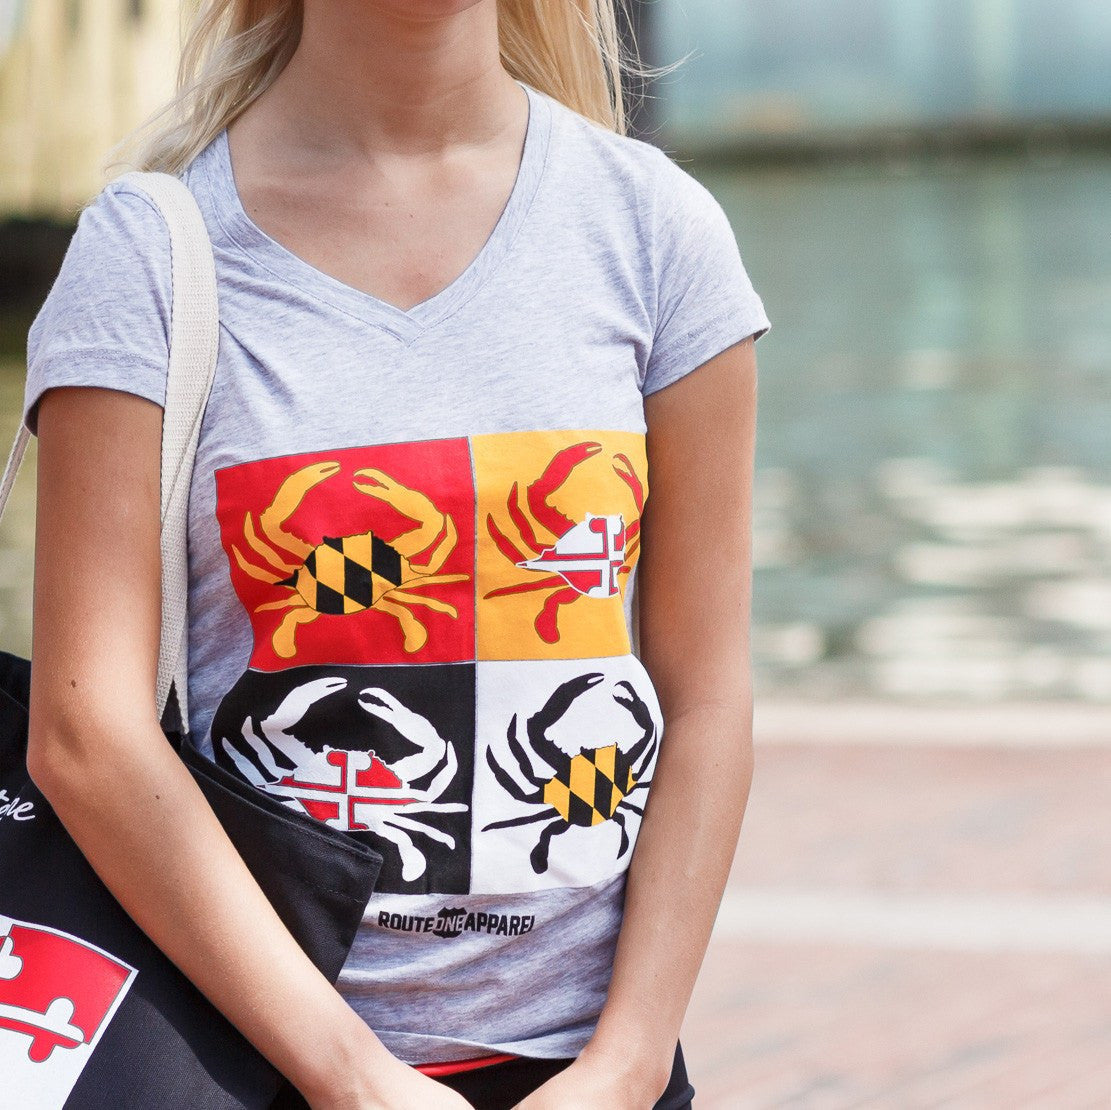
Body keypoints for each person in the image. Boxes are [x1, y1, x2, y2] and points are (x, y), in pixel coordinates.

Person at [24, 1, 770, 1107]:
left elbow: (703, 694)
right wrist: (351, 1076)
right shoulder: (149, 257)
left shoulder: (654, 227)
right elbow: (86, 733)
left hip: (590, 1070)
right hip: (260, 1062)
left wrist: (627, 1062)